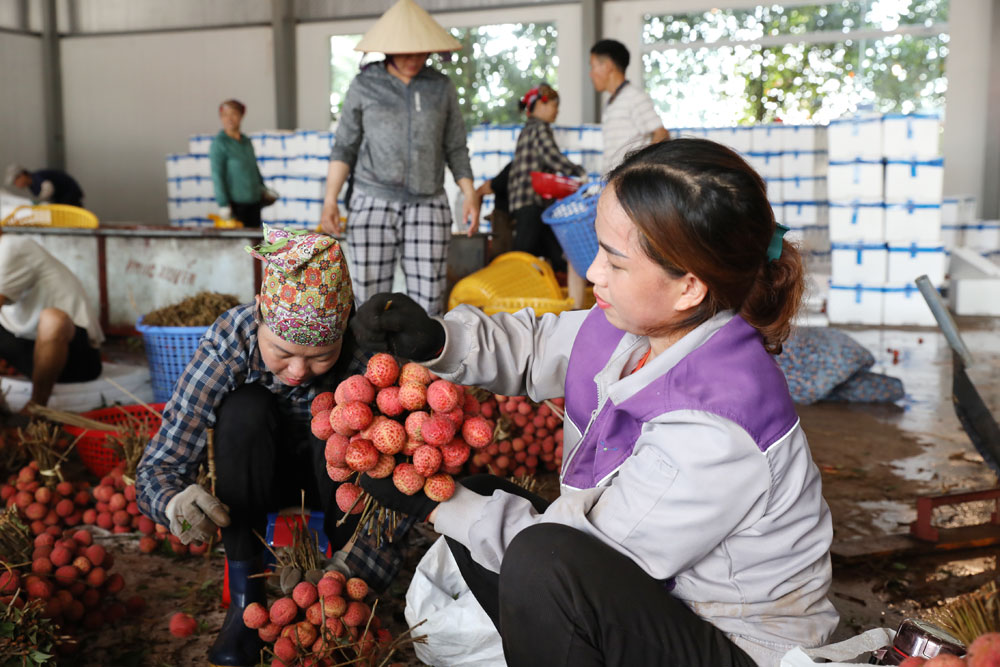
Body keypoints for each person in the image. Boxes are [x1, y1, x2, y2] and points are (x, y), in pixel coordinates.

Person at [351, 138, 838, 667]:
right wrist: (436, 342)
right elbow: (537, 347)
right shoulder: (641, 327)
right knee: (488, 499)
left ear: (688, 287)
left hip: (735, 644)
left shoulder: (716, 423)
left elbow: (593, 551)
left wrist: (435, 503)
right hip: (662, 601)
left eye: (615, 260)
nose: (593, 272)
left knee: (540, 561)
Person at [135, 226, 410, 667]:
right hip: (253, 476)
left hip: (337, 481)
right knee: (245, 407)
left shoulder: (366, 356)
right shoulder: (232, 339)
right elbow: (159, 465)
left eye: (321, 355)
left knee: (346, 417)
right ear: (261, 313)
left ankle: (346, 587)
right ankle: (245, 598)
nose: (299, 370)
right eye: (282, 352)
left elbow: (402, 480)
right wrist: (172, 503)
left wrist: (356, 570)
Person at [319, 0, 480, 317]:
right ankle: (370, 364)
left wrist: (470, 192)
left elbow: (455, 146)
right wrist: (330, 200)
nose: (414, 59)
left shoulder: (440, 87)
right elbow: (345, 146)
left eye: (420, 52)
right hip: (372, 200)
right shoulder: (365, 86)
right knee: (369, 300)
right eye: (406, 52)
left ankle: (423, 366)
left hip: (428, 203)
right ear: (388, 49)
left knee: (429, 301)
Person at [0, 229, 103, 407]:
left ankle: (36, 409)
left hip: (76, 359)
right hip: (30, 354)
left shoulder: (11, 246)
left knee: (53, 319)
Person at [508, 84, 586, 272]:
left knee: (555, 249)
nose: (556, 111)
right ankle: (512, 287)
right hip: (530, 201)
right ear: (541, 105)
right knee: (523, 254)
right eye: (554, 106)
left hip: (528, 202)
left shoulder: (527, 129)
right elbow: (551, 156)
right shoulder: (540, 128)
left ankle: (564, 287)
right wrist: (578, 172)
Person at [589, 39, 670, 175]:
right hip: (614, 179)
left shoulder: (634, 96)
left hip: (628, 182)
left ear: (608, 66)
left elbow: (662, 134)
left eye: (593, 66)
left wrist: (638, 168)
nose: (591, 74)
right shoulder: (611, 102)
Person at [209, 99, 275, 228]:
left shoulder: (246, 142)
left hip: (254, 202)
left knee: (255, 243)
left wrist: (263, 189)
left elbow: (253, 168)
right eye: (224, 115)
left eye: (233, 114)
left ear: (241, 116)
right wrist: (223, 204)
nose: (229, 119)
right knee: (240, 245)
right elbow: (217, 175)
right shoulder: (219, 144)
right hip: (236, 205)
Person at [475, 161, 513, 260]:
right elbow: (480, 191)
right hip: (503, 221)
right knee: (501, 258)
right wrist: (476, 223)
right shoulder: (513, 168)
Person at [4, 164, 85, 208]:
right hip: (62, 198)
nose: (16, 185)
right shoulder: (32, 186)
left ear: (22, 175)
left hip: (70, 194)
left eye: (15, 181)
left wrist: (40, 201)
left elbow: (48, 187)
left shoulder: (36, 178)